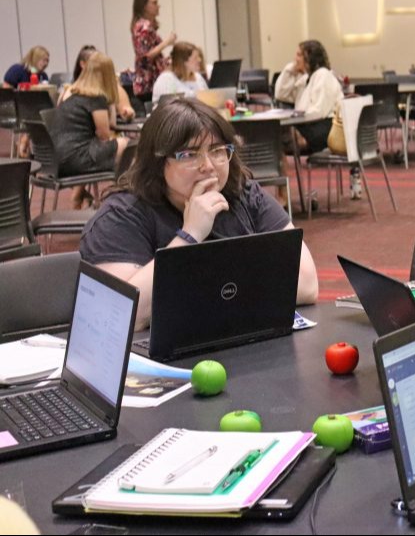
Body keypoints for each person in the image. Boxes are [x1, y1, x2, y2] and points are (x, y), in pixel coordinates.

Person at [79, 98, 319, 330]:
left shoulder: (244, 194)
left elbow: (307, 284)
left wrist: (205, 294)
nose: (209, 165)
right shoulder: (121, 215)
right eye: (189, 154)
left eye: (217, 150)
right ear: (158, 162)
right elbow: (125, 314)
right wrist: (189, 236)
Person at [53, 53, 131, 208]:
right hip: (75, 158)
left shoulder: (72, 93)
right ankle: (124, 197)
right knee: (126, 145)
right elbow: (105, 134)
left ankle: (80, 195)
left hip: (55, 158)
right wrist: (111, 101)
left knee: (100, 147)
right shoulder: (95, 97)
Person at [274, 40, 342, 152]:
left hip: (325, 127)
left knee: (277, 134)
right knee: (275, 132)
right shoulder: (306, 79)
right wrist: (289, 70)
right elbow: (281, 94)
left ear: (310, 58)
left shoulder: (323, 75)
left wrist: (295, 117)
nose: (295, 59)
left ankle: (296, 139)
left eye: (299, 55)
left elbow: (319, 112)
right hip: (308, 124)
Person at [131, 0, 177, 102]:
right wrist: (167, 42)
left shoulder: (146, 26)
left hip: (151, 81)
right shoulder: (143, 27)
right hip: (148, 83)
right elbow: (146, 56)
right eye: (154, 3)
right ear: (144, 7)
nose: (158, 6)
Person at [71, 44, 134, 122]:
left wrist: (127, 112)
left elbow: (127, 110)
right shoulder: (71, 90)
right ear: (83, 64)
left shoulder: (114, 87)